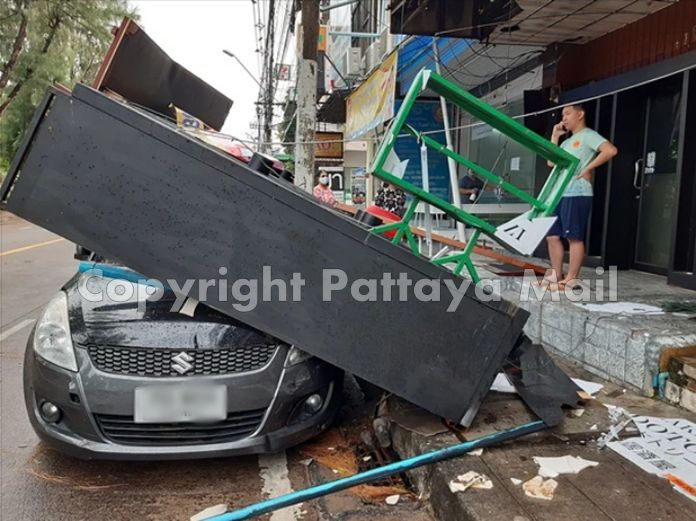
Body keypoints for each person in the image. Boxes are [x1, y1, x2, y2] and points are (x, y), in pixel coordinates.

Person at [538, 104, 618, 290]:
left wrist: (588, 168)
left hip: (577, 191)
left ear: (580, 114)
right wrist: (555, 136)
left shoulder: (588, 135)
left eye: (568, 113)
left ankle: (572, 278)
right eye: (562, 115)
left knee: (573, 236)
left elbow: (610, 150)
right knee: (552, 236)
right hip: (558, 193)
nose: (564, 118)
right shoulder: (567, 141)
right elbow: (551, 162)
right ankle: (556, 274)